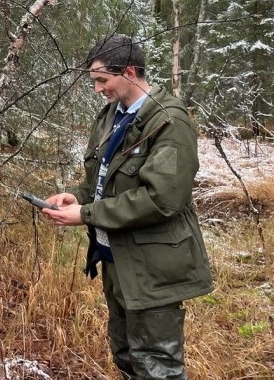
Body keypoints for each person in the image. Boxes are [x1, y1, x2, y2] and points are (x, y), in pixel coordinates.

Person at [41, 35, 213, 380]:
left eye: (102, 80)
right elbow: (102, 181)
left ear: (130, 72)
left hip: (154, 267)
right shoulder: (111, 117)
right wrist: (78, 197)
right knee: (126, 357)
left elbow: (162, 199)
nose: (97, 89)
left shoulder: (169, 122)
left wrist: (86, 214)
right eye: (94, 81)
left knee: (156, 365)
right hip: (117, 260)